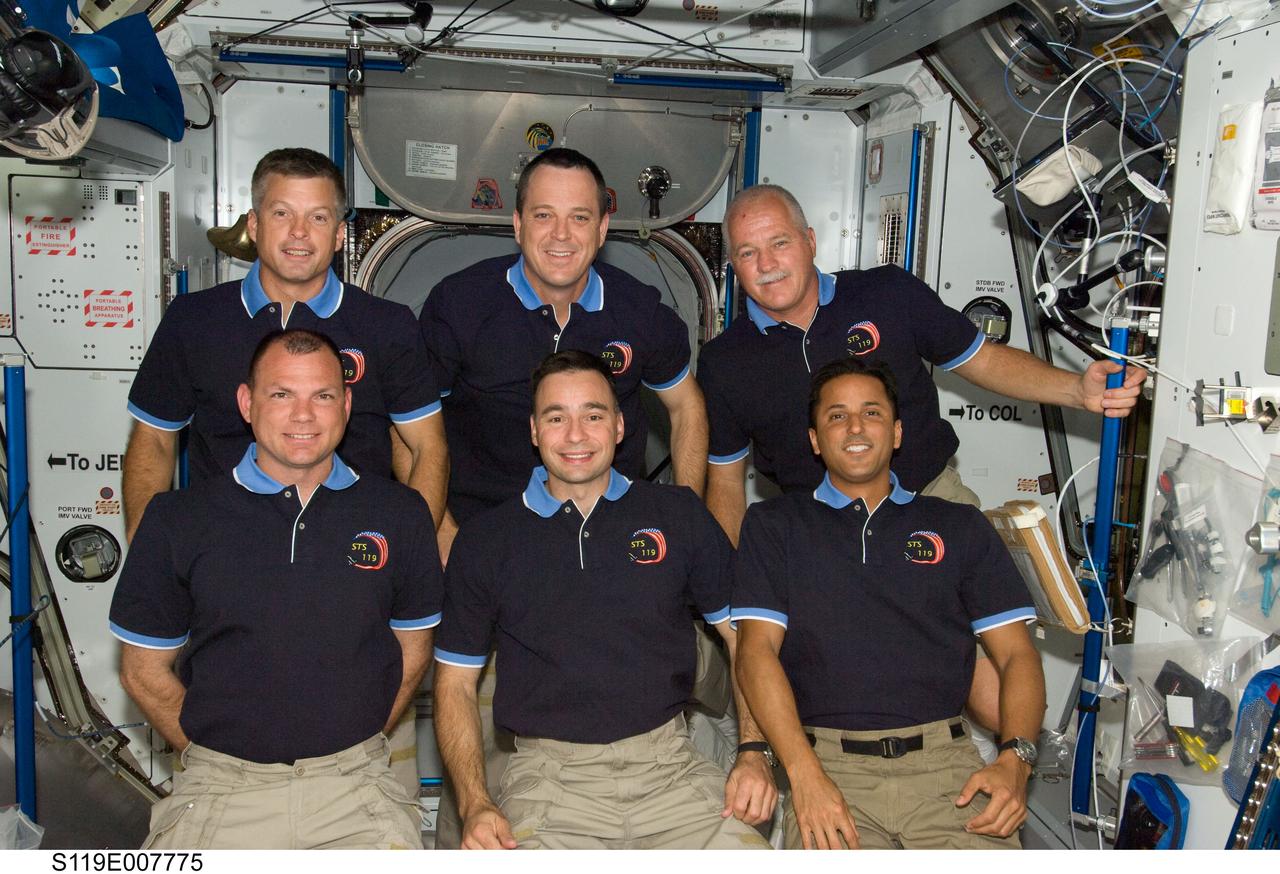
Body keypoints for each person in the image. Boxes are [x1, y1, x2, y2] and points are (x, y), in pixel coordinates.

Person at [698, 183, 1141, 729]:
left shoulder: (886, 295)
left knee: (984, 657)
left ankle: (1010, 759)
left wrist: (1078, 391)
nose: (766, 264)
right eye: (747, 253)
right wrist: (739, 584)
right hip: (817, 531)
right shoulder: (725, 362)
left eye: (779, 243)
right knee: (840, 672)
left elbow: (981, 360)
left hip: (930, 497)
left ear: (810, 241)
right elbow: (724, 481)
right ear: (733, 267)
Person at [109, 329, 443, 849]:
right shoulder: (179, 519)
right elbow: (141, 670)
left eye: (323, 395)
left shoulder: (400, 515)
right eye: (282, 394)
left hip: (356, 794)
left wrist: (350, 743)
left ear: (347, 404)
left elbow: (413, 650)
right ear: (247, 402)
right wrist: (216, 755)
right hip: (222, 794)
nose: (303, 415)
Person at [432, 350, 774, 850]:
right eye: (556, 418)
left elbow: (744, 639)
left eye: (593, 415)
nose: (575, 435)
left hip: (671, 771)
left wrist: (753, 749)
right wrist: (476, 802)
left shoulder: (677, 515)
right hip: (549, 784)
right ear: (533, 430)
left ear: (618, 426)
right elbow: (455, 685)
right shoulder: (488, 539)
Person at [733, 358, 1046, 849]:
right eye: (836, 415)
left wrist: (1015, 761)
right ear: (815, 439)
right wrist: (804, 775)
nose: (855, 427)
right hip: (828, 768)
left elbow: (1017, 655)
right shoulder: (775, 526)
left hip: (948, 771)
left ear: (896, 432)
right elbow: (756, 653)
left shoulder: (959, 526)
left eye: (872, 413)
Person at [123, 147, 447, 539]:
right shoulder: (194, 320)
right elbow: (154, 440)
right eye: (282, 214)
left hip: (352, 556)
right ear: (254, 225)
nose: (299, 232)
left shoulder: (387, 326)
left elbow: (425, 449)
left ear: (340, 234)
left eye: (318, 217)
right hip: (222, 551)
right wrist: (146, 557)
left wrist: (409, 556)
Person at [420, 147, 707, 560]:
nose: (561, 234)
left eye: (579, 217)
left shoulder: (638, 310)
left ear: (603, 227)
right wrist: (444, 534)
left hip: (612, 539)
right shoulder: (460, 305)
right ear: (518, 224)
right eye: (543, 215)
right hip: (482, 535)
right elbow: (411, 427)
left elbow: (687, 407)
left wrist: (684, 518)